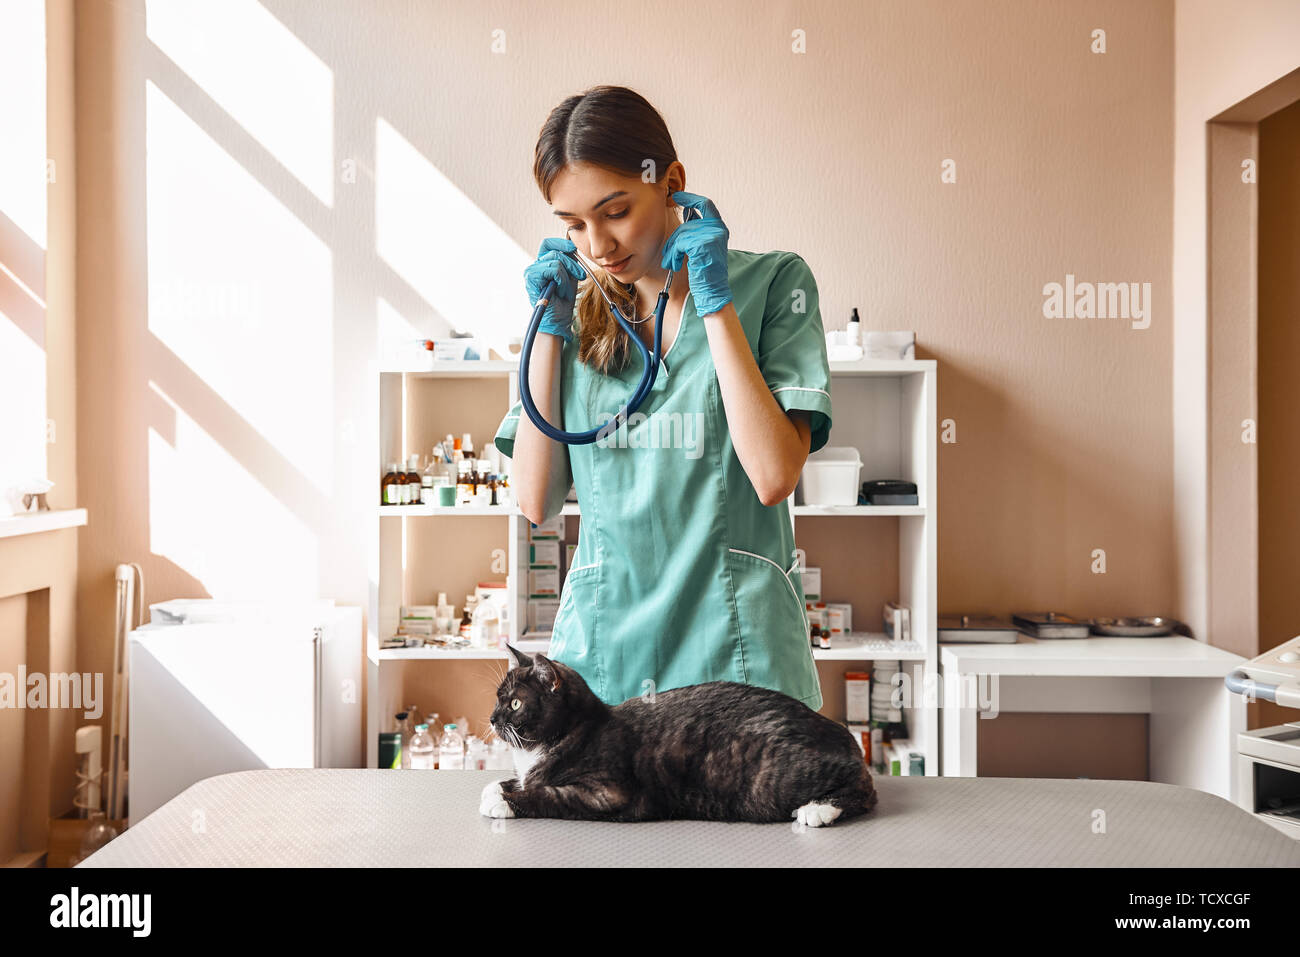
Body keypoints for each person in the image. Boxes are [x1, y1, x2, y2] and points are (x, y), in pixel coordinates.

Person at [494, 85, 832, 710]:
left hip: (740, 655)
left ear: (672, 181)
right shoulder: (567, 313)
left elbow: (774, 474)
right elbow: (535, 499)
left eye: (615, 212)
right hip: (606, 660)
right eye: (573, 225)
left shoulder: (775, 282)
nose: (597, 246)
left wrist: (714, 301)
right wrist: (546, 330)